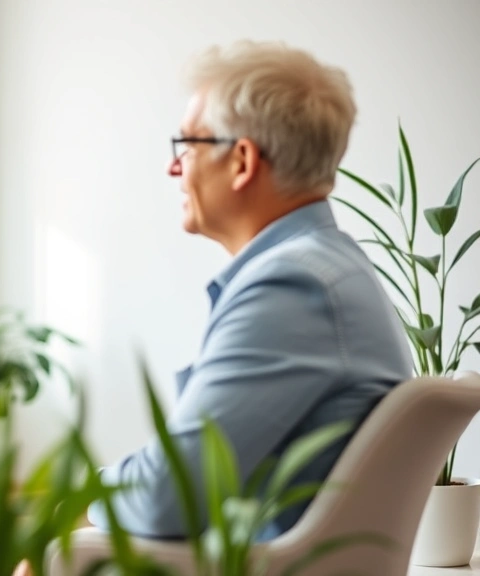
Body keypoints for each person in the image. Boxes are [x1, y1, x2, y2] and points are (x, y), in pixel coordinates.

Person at [88, 41, 414, 539]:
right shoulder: (327, 270)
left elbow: (165, 499)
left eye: (188, 145)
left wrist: (81, 500)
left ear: (241, 161)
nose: (174, 168)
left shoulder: (293, 289)